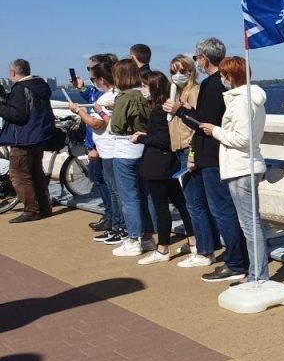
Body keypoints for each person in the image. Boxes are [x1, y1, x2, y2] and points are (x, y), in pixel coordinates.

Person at [163, 38, 248, 282]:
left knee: (222, 210)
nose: (197, 62)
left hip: (212, 156)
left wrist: (179, 111)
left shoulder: (212, 85)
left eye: (197, 58)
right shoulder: (219, 84)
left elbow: (204, 123)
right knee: (224, 209)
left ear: (204, 59)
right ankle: (238, 258)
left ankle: (235, 262)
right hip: (215, 154)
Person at [198, 56, 269, 283]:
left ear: (231, 76)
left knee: (250, 225)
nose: (222, 79)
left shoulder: (241, 101)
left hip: (240, 168)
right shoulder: (251, 99)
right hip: (246, 165)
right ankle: (256, 274)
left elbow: (242, 138)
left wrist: (215, 131)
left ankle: (257, 277)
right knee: (251, 223)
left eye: (223, 76)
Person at [133, 71, 195, 265]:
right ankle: (193, 241)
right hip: (166, 164)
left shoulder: (160, 110)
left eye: (144, 86)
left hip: (158, 165)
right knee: (180, 203)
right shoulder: (162, 108)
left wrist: (141, 137)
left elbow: (163, 139)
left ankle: (163, 249)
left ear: (154, 87)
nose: (142, 89)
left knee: (162, 207)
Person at [68, 63, 125, 244]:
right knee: (108, 185)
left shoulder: (107, 98)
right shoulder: (107, 96)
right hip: (104, 148)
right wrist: (82, 89)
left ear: (101, 79)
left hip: (107, 150)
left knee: (114, 190)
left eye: (93, 78)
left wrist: (79, 111)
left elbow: (98, 124)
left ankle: (119, 226)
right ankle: (115, 224)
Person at [108, 59, 155, 256]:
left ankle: (133, 238)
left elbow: (116, 126)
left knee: (129, 197)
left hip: (125, 148)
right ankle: (148, 237)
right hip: (142, 147)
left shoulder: (124, 97)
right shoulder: (143, 95)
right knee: (145, 195)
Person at [0, 59, 55, 222]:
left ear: (13, 73)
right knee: (35, 172)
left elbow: (17, 115)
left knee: (18, 174)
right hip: (39, 137)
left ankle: (31, 210)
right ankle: (44, 207)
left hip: (24, 139)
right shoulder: (39, 86)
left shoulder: (20, 88)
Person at [167, 54, 209, 266]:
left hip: (189, 150)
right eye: (173, 71)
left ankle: (203, 250)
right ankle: (203, 244)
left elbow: (197, 125)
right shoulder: (176, 93)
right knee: (192, 201)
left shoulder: (194, 92)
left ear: (191, 71)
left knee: (195, 203)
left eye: (182, 71)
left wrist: (192, 154)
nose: (177, 75)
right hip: (177, 149)